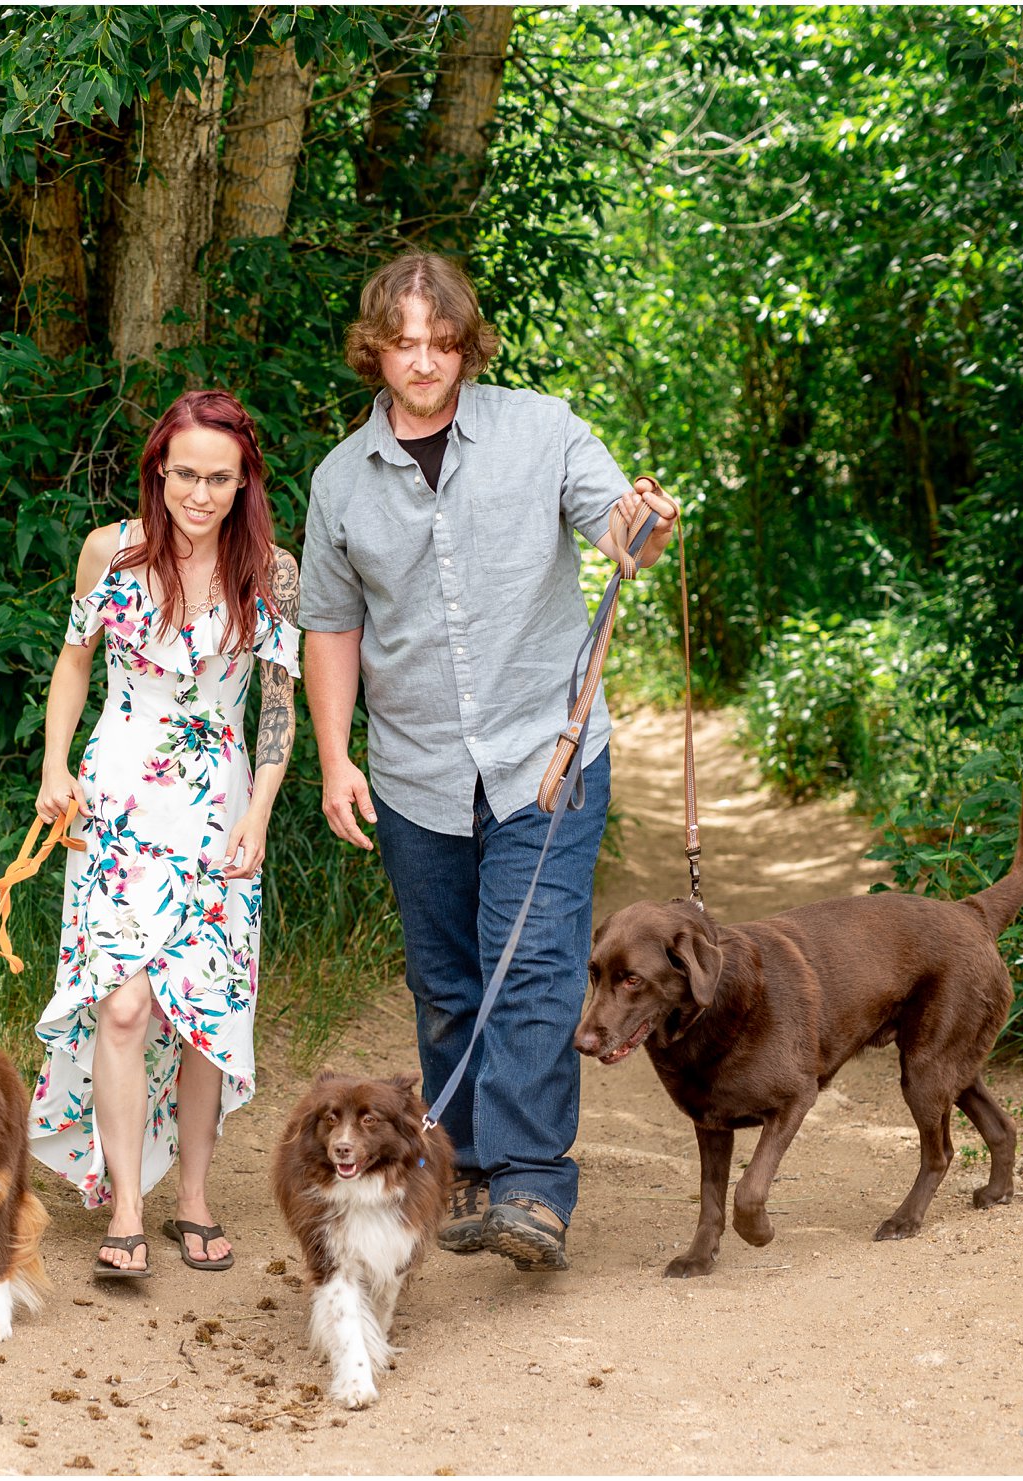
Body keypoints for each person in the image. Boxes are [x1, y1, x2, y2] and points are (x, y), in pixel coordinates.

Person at [298, 252, 678, 1272]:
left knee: (539, 968)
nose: (422, 361)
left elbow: (618, 533)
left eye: (441, 340)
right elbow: (329, 630)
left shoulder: (540, 428)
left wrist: (639, 523)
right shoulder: (339, 482)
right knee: (446, 981)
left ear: (466, 343)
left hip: (542, 754)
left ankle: (532, 1186)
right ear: (373, 349)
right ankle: (461, 1167)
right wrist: (336, 758)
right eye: (402, 342)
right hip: (415, 770)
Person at [30, 389, 302, 1279]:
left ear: (243, 480)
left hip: (221, 810)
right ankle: (125, 1207)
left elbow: (277, 707)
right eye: (185, 472)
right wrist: (53, 767)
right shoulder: (110, 552)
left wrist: (259, 814)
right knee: (121, 1003)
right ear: (159, 468)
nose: (200, 492)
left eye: (220, 477)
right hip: (115, 805)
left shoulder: (273, 569)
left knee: (200, 1017)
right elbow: (74, 661)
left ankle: (192, 1195)